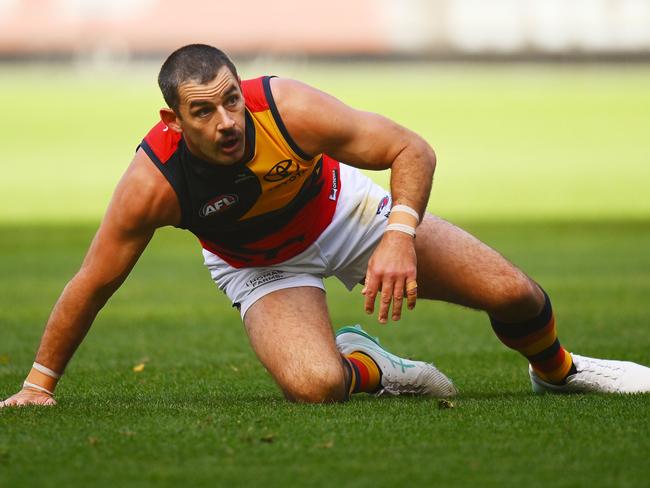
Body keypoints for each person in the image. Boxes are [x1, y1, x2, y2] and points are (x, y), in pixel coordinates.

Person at [2, 44, 649, 408]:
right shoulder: (153, 182)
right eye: (205, 111)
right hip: (259, 264)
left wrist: (397, 235)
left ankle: (559, 370)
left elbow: (410, 148)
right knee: (314, 387)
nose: (228, 121)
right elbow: (94, 280)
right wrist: (38, 386)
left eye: (231, 99)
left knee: (514, 295)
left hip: (349, 217)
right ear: (174, 121)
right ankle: (372, 362)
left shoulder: (288, 108)